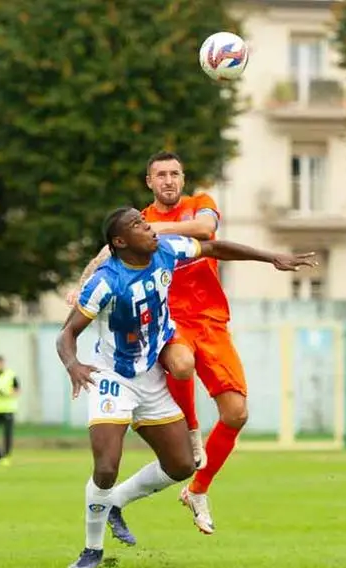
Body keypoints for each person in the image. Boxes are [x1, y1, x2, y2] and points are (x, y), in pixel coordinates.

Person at [58, 206, 315, 568]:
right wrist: (74, 365)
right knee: (106, 467)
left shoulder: (166, 250)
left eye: (145, 222)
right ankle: (91, 550)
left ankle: (115, 503)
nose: (149, 228)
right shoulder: (106, 282)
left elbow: (214, 247)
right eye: (138, 225)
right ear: (119, 242)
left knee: (182, 466)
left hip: (151, 377)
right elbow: (67, 333)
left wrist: (271, 257)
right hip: (113, 378)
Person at [68, 151, 252, 535]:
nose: (168, 180)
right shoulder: (136, 223)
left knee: (236, 414)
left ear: (183, 179)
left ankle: (198, 489)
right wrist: (82, 283)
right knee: (181, 364)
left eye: (174, 174)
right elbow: (107, 254)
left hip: (212, 320)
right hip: (172, 322)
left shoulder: (198, 205)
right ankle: (190, 431)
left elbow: (205, 231)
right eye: (160, 175)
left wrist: (155, 230)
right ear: (149, 182)